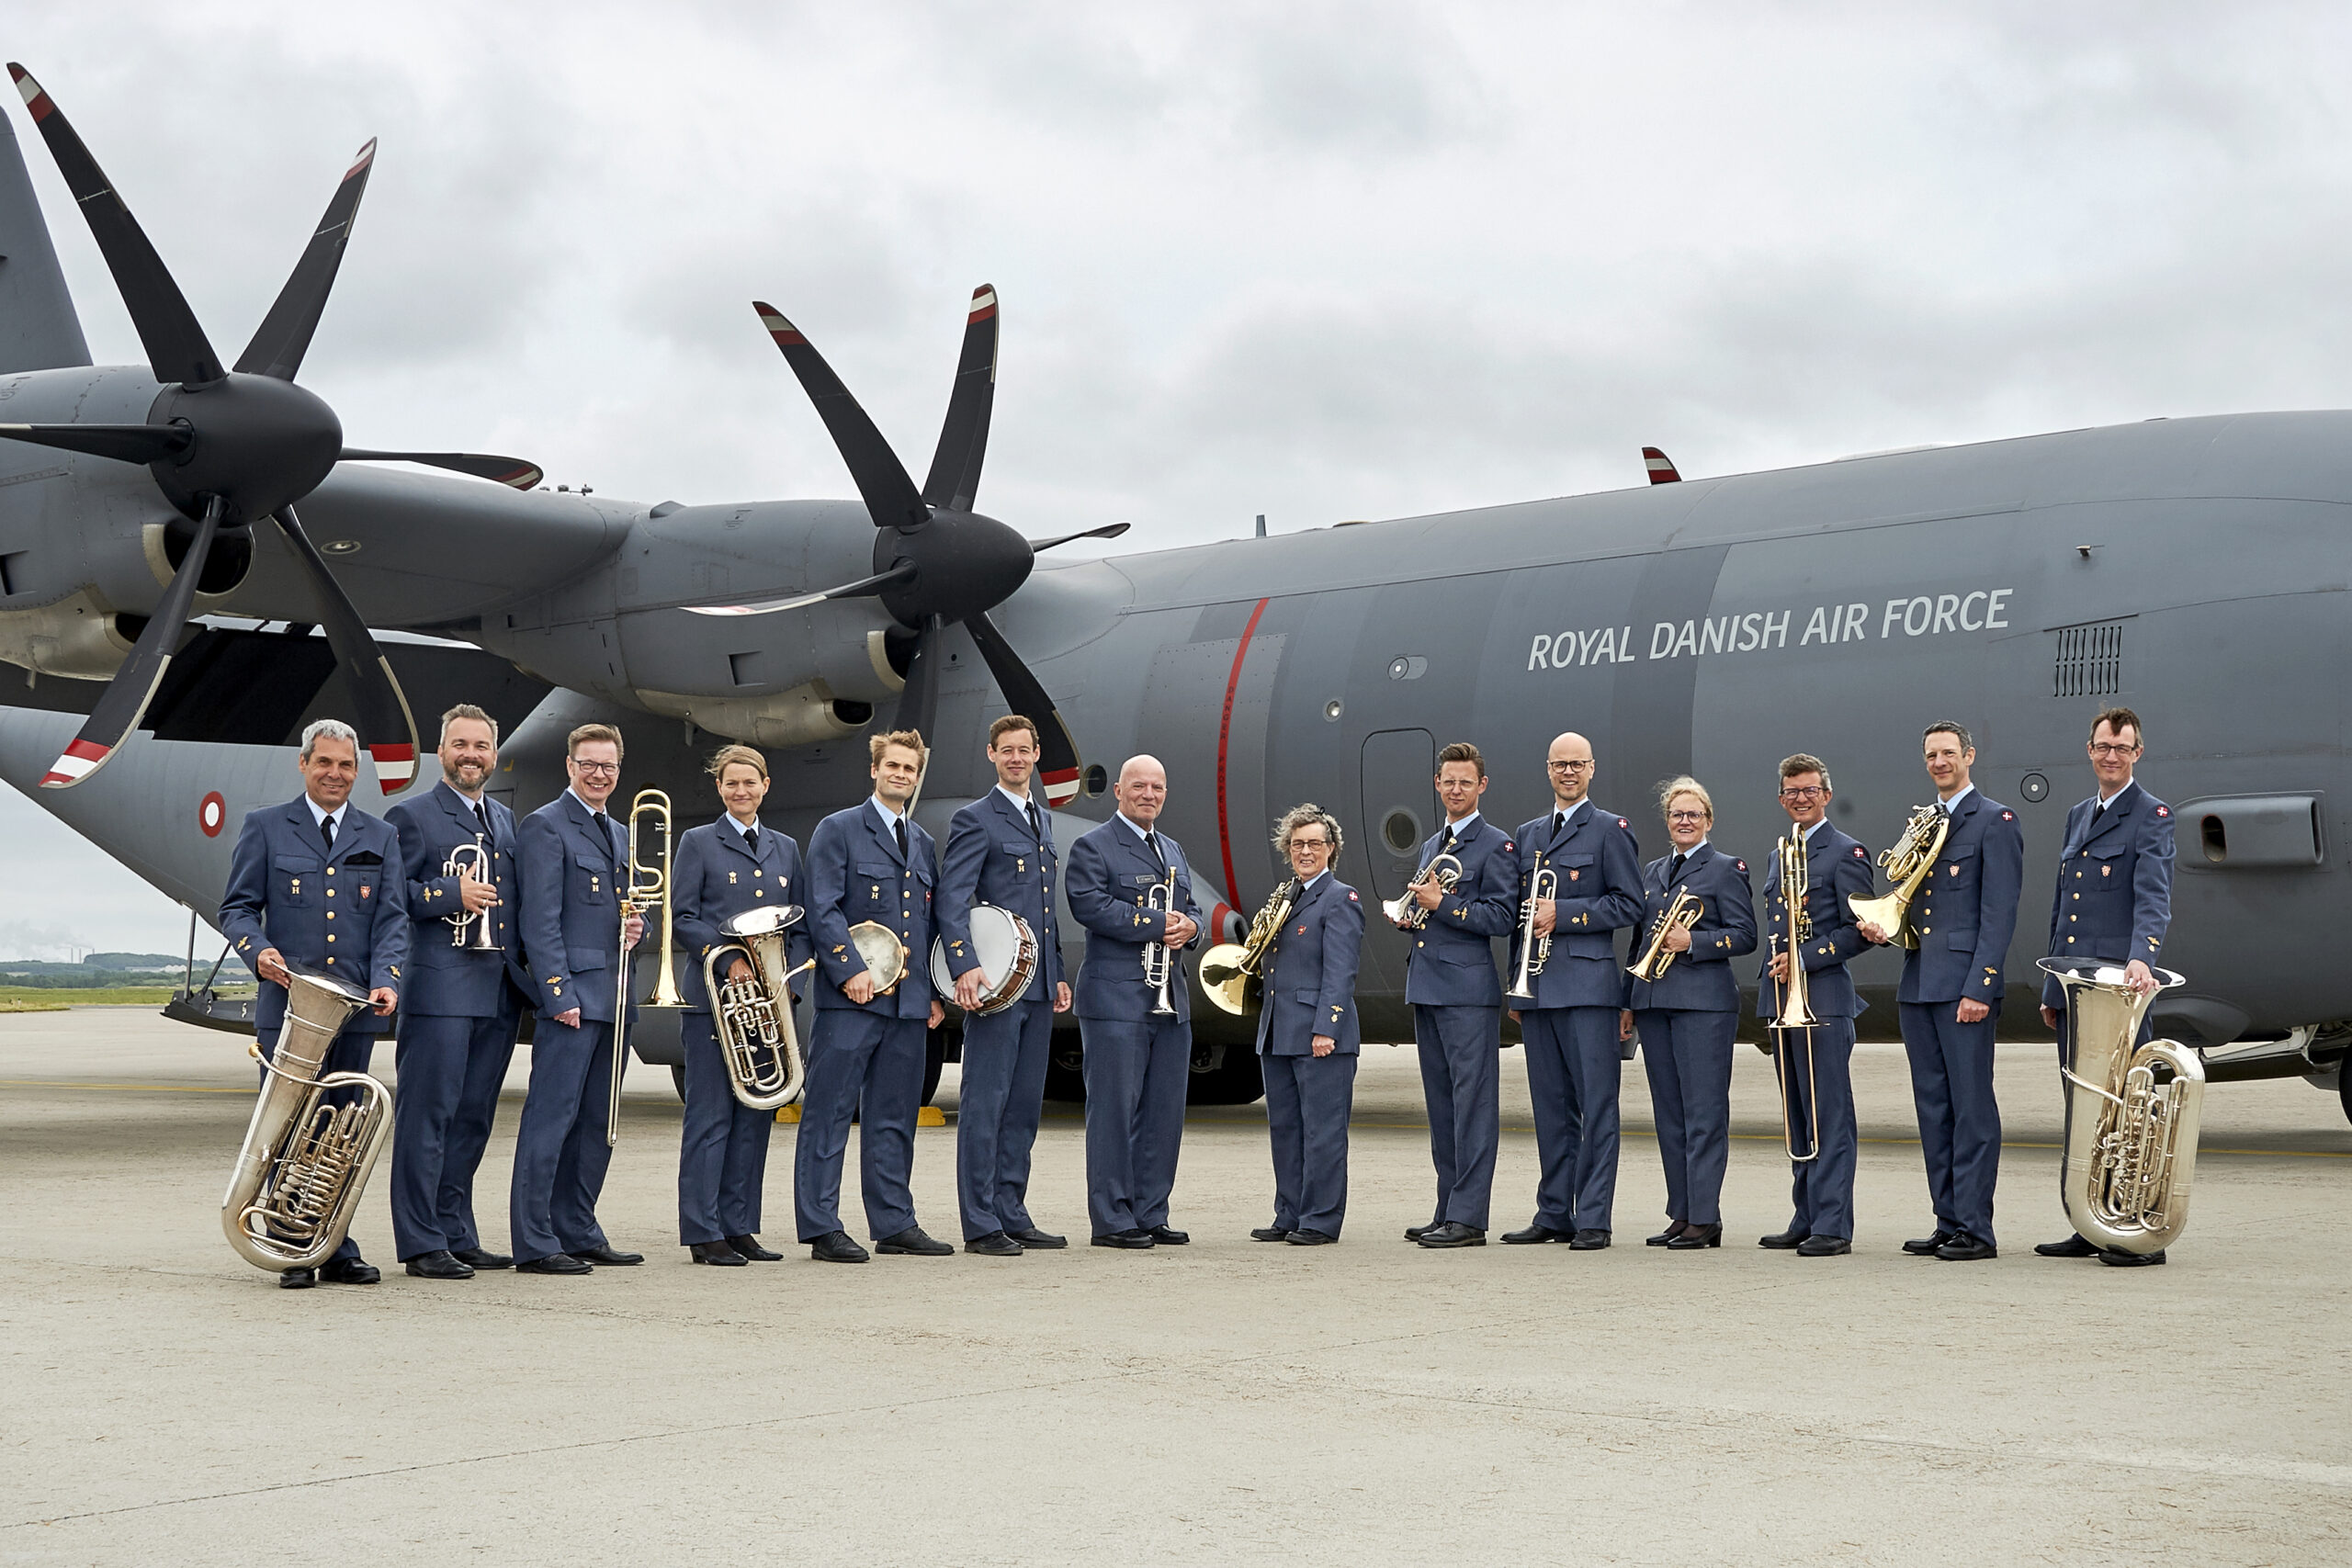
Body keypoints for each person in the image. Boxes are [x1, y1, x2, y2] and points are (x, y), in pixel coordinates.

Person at [219, 718, 407, 1289]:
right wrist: (258, 951)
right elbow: (237, 909)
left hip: (353, 1009)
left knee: (342, 1135)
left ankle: (335, 1245)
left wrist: (387, 979)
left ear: (357, 771)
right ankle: (288, 1244)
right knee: (285, 1129)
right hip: (289, 1007)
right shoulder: (266, 826)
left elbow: (392, 919)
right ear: (303, 764)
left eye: (346, 765)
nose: (335, 773)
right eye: (324, 762)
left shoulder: (381, 835)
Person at [1858, 721, 2024, 1262]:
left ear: (1969, 756)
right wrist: (1885, 927)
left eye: (1949, 753)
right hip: (1920, 983)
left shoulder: (1994, 820)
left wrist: (1981, 987)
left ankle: (1976, 1228)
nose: (1940, 763)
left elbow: (1998, 915)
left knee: (1971, 1108)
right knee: (1933, 1108)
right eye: (1931, 755)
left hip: (1963, 989)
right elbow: (1919, 909)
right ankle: (1947, 1219)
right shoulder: (1926, 821)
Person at [383, 705, 531, 1280]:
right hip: (441, 989)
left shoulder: (504, 819)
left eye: (481, 746)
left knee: (473, 1118)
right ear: (442, 752)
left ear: (494, 754)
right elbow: (392, 895)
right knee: (428, 1117)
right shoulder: (412, 815)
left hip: (496, 990)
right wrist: (450, 894)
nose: (472, 756)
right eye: (461, 745)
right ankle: (420, 1242)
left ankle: (456, 1232)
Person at [796, 730, 951, 1262]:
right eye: (892, 766)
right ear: (874, 770)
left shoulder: (922, 842)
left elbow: (925, 923)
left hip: (907, 1004)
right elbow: (822, 906)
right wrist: (848, 970)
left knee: (895, 1115)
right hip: (853, 1000)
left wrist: (931, 992)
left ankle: (894, 1222)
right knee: (829, 1113)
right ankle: (821, 1226)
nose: (900, 775)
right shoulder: (838, 829)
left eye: (909, 769)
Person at [2034, 705, 2177, 1269]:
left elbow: (2154, 894)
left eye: (2121, 747)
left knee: (2130, 1110)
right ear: (2089, 751)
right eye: (2102, 747)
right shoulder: (2078, 814)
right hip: (2078, 990)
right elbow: (2062, 909)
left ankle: (2139, 1229)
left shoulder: (2152, 814)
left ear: (2137, 753)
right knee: (2084, 1108)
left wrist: (2143, 958)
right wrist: (2053, 990)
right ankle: (2091, 1221)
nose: (2111, 756)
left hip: (2120, 988)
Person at [510, 723, 647, 1276]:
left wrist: (638, 927)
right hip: (572, 999)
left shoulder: (620, 831)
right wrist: (557, 992)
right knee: (551, 1121)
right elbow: (539, 921)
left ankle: (578, 1227)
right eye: (588, 764)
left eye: (608, 766)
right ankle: (534, 1240)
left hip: (615, 995)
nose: (598, 774)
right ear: (570, 766)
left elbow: (625, 907)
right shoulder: (546, 825)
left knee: (597, 1122)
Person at [670, 744, 812, 1266]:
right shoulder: (698, 842)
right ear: (720, 788)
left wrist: (789, 982)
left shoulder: (785, 847)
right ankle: (703, 1232)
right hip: (715, 1002)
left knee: (756, 1117)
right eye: (731, 783)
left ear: (765, 786)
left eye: (750, 782)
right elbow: (683, 917)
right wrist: (728, 958)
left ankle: (740, 1226)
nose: (741, 791)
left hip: (769, 1003)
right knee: (710, 1118)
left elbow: (801, 922)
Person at [937, 716, 1073, 1257]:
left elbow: (1045, 911)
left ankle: (1012, 1211)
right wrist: (964, 965)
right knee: (985, 1103)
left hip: (1036, 985)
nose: (1016, 759)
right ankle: (980, 1222)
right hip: (995, 983)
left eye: (1024, 750)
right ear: (992, 755)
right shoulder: (976, 819)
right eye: (1006, 750)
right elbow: (953, 898)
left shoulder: (1043, 818)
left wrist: (1056, 973)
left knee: (1022, 1105)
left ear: (1036, 754)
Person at [1504, 731, 1643, 1250]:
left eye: (1577, 764)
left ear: (1591, 769)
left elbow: (1629, 904)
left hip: (1587, 990)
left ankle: (1594, 1218)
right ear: (1548, 769)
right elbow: (1520, 918)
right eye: (1559, 764)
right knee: (1550, 1108)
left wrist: (1563, 913)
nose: (1568, 772)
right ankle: (1554, 1212)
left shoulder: (1610, 829)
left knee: (1597, 1106)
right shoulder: (1529, 833)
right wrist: (1516, 988)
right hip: (1538, 991)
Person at [1065, 754, 1204, 1249]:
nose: (1149, 795)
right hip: (1115, 1001)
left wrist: (1191, 927)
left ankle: (1150, 1211)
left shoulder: (1172, 849)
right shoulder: (1093, 845)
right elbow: (1089, 904)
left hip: (1169, 1001)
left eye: (1157, 788)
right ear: (1119, 791)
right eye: (1139, 786)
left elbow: (1190, 908)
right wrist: (1157, 923)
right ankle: (1111, 1218)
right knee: (1114, 1112)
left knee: (1164, 1114)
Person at [1395, 741, 1520, 1249]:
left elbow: (1502, 917)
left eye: (1465, 782)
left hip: (1467, 991)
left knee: (1473, 1107)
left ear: (1481, 786)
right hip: (1428, 985)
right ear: (1437, 784)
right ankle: (1447, 1207)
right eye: (1448, 781)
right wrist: (1411, 916)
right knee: (1442, 1106)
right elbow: (1429, 910)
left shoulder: (1496, 845)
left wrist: (1441, 903)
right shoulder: (1433, 844)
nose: (1456, 789)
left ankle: (1469, 1218)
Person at [1626, 778, 1755, 1251]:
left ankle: (1705, 1217)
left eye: (1693, 814)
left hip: (1704, 1006)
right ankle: (1680, 1212)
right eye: (1677, 814)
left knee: (1703, 1113)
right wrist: (1628, 1001)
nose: (1685, 821)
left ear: (1708, 821)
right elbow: (1640, 939)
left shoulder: (1725, 868)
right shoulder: (1653, 871)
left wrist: (1692, 942)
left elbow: (1745, 934)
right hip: (1654, 1002)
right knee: (1669, 1115)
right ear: (1667, 822)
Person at [1756, 753, 1874, 1258]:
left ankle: (1833, 1223)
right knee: (1798, 1117)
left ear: (1826, 795)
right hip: (1783, 1000)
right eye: (1791, 792)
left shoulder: (1846, 852)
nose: (1800, 799)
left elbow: (1859, 931)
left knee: (1829, 1114)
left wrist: (1802, 959)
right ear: (1781, 798)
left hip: (1822, 1000)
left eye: (1809, 790)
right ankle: (1804, 1215)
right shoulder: (1779, 853)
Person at [1249, 804, 1364, 1246]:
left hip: (1318, 1033)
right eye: (1297, 844)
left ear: (1331, 849)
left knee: (1323, 1134)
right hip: (1279, 1030)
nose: (1305, 851)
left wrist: (1326, 1029)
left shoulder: (1340, 898)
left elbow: (1341, 972)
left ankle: (1320, 1220)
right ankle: (1289, 1213)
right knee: (1286, 1131)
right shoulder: (1287, 896)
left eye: (1315, 843)